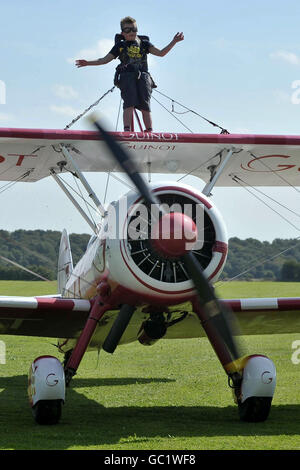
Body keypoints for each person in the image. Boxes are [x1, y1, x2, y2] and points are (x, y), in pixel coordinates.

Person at [76, 16, 184, 131]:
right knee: (129, 104)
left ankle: (149, 131)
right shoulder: (120, 46)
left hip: (142, 76)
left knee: (145, 105)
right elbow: (104, 60)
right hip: (127, 77)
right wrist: (87, 63)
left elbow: (161, 53)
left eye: (134, 29)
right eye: (128, 30)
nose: (132, 32)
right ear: (122, 33)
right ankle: (127, 130)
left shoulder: (144, 43)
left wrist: (174, 41)